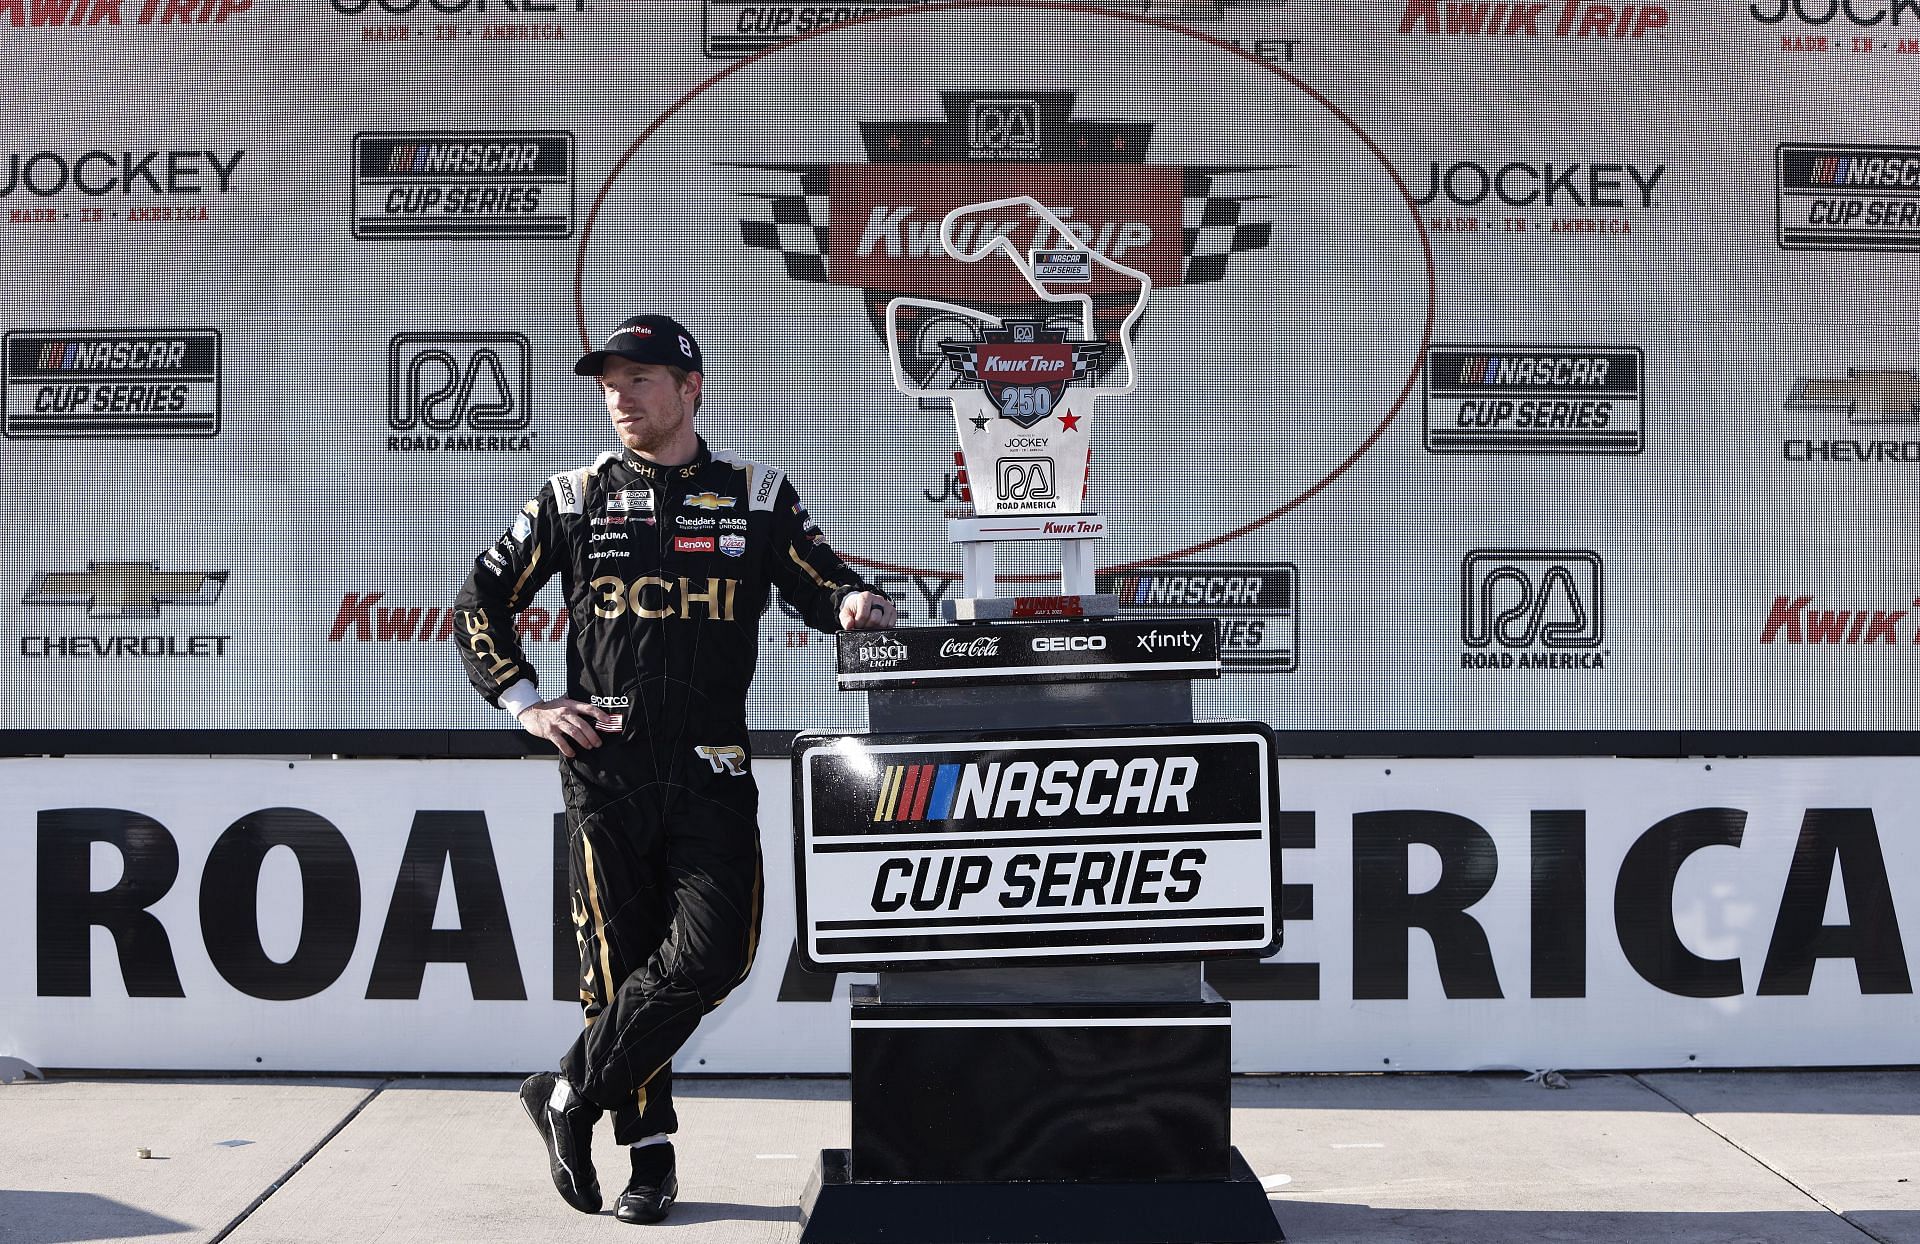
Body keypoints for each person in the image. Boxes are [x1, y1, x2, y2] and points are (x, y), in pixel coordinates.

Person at [453, 314, 896, 1224]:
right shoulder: (572, 497)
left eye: (640, 380)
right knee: (618, 970)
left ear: (691, 388)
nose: (620, 398)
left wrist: (853, 600)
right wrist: (527, 701)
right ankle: (649, 1163)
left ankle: (568, 1094)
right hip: (605, 771)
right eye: (610, 383)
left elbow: (822, 581)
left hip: (713, 767)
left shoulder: (754, 493)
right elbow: (480, 601)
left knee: (715, 954)